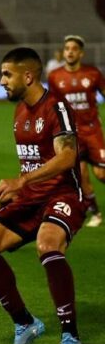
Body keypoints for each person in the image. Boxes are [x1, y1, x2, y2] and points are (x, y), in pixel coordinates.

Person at [0, 47, 85, 344]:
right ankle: (25, 323)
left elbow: (67, 156)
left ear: (28, 76)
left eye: (7, 74)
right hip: (31, 199)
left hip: (63, 195)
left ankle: (71, 338)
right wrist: (18, 189)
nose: (1, 81)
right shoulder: (20, 111)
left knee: (47, 244)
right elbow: (31, 162)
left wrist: (22, 182)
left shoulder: (56, 107)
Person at [48, 35, 105, 227]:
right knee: (81, 175)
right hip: (72, 134)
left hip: (93, 131)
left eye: (73, 48)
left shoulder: (93, 74)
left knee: (101, 174)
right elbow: (53, 105)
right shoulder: (55, 76)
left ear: (81, 53)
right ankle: (96, 213)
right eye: (67, 48)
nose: (69, 51)